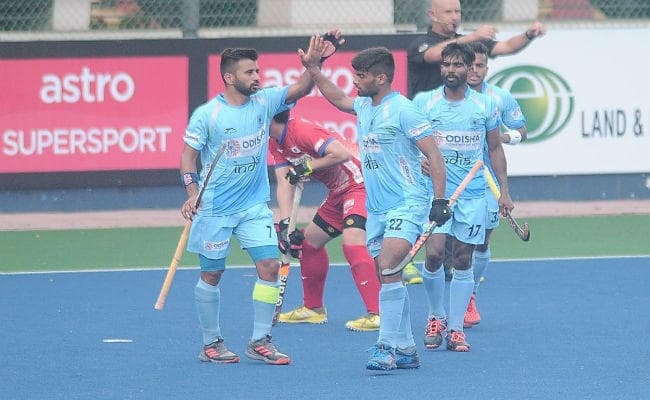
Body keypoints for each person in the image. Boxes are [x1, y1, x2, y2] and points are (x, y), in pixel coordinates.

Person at [179, 33, 342, 366]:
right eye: (249, 72)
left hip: (253, 206)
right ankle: (211, 343)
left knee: (269, 265)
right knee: (212, 274)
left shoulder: (265, 102)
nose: (257, 77)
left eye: (257, 71)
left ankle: (260, 340)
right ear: (229, 77)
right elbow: (188, 157)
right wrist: (192, 192)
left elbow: (300, 89)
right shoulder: (208, 115)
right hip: (215, 209)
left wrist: (316, 64)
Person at [301, 38, 450, 370]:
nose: (354, 81)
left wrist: (439, 201)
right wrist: (314, 70)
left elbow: (434, 155)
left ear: (380, 78)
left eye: (361, 76)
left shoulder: (405, 110)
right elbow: (339, 99)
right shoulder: (364, 105)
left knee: (389, 264)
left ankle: (384, 346)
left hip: (407, 202)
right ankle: (407, 348)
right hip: (378, 208)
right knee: (388, 276)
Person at [412, 42, 513, 352]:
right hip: (436, 193)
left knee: (462, 259)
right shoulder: (425, 102)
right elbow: (409, 141)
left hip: (472, 194)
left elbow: (494, 148)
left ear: (469, 68)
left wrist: (504, 192)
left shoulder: (485, 105)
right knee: (434, 255)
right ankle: (435, 316)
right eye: (446, 64)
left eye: (457, 65)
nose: (450, 70)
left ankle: (455, 329)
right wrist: (419, 159)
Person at [268, 110, 382, 331]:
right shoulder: (275, 144)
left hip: (360, 184)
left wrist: (308, 167)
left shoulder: (300, 130)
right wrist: (285, 225)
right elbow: (284, 183)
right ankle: (313, 309)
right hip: (338, 193)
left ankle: (378, 314)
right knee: (308, 243)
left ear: (270, 117)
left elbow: (340, 154)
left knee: (352, 243)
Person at [463, 41, 528, 328]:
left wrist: (502, 137)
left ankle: (470, 295)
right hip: (455, 180)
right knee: (449, 246)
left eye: (480, 65)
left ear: (487, 68)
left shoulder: (500, 98)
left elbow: (522, 131)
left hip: (487, 180)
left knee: (482, 241)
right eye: (470, 65)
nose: (474, 70)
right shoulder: (446, 99)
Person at [407, 0, 546, 99]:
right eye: (448, 12)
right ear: (432, 15)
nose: (454, 17)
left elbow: (507, 47)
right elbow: (433, 55)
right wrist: (473, 36)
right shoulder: (420, 43)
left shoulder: (469, 40)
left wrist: (528, 35)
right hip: (427, 114)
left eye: (457, 12)